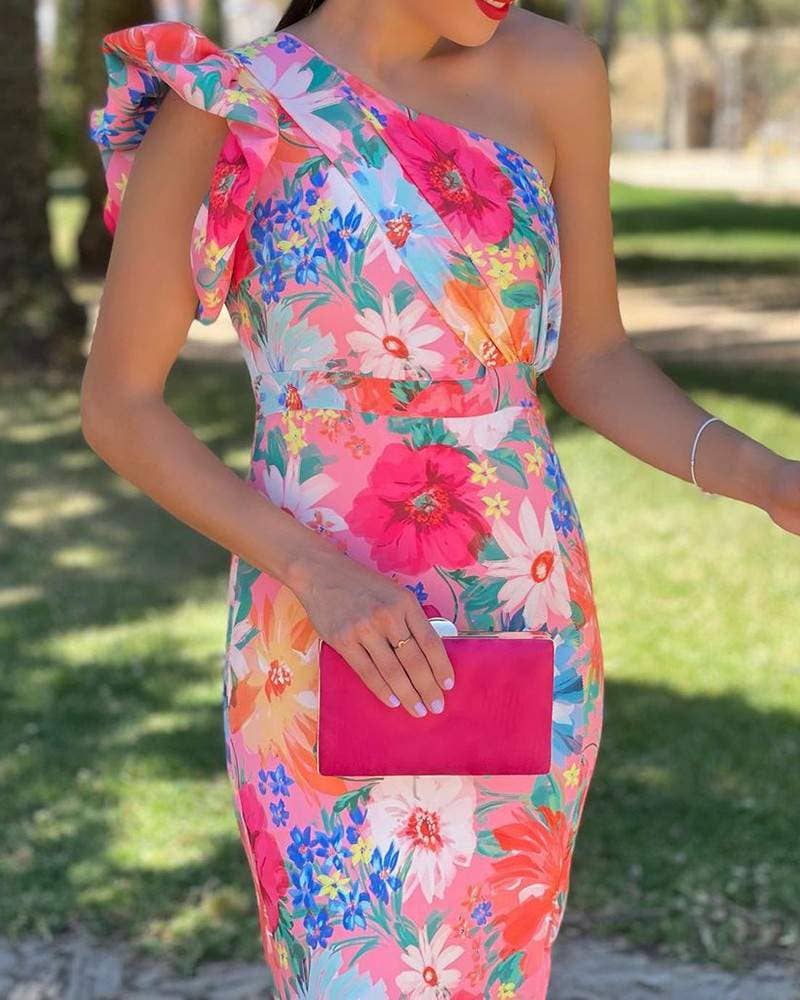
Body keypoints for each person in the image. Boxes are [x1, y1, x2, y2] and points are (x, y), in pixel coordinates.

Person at [82, 0, 800, 996]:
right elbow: (119, 406)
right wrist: (316, 573)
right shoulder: (226, 103)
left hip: (523, 609)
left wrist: (769, 481)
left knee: (492, 970)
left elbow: (591, 358)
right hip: (323, 624)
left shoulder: (555, 72)